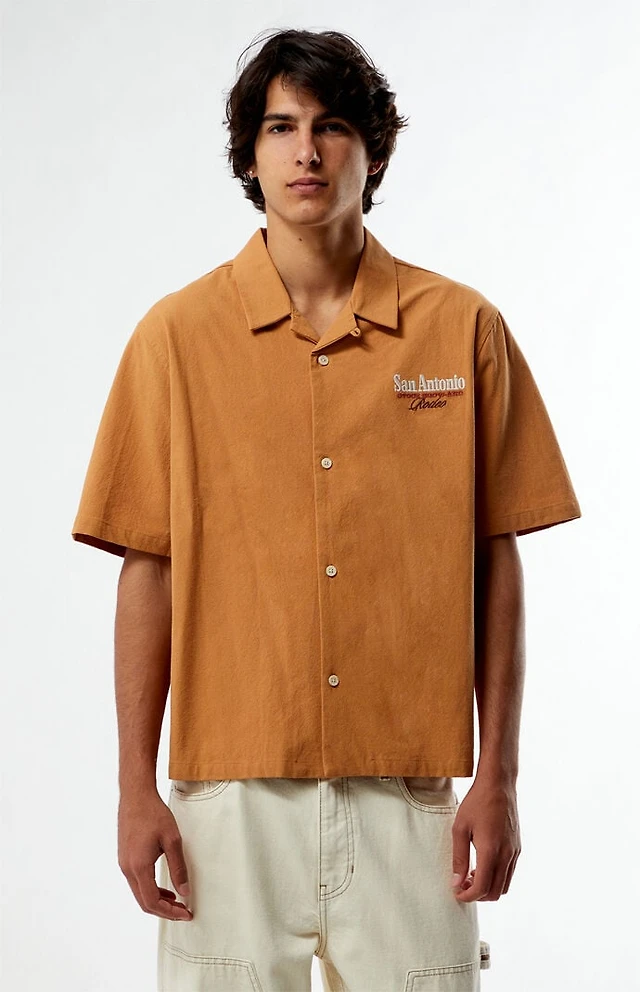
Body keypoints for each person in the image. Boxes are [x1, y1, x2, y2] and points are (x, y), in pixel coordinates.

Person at [71, 27, 581, 992]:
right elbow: (149, 567)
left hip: (411, 798)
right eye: (281, 127)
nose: (306, 152)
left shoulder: (463, 329)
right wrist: (135, 787)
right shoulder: (174, 339)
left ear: (373, 152)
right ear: (249, 157)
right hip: (229, 801)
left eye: (333, 126)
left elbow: (496, 562)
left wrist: (499, 777)